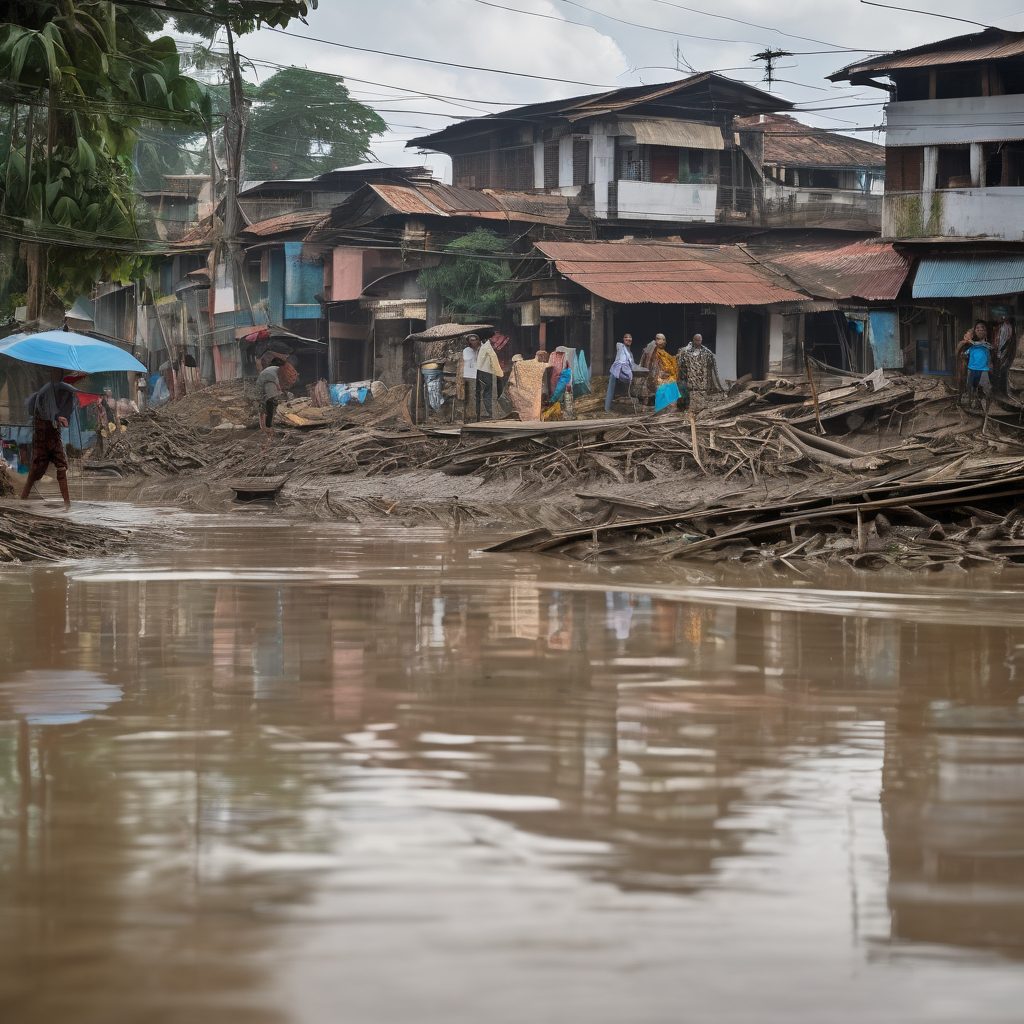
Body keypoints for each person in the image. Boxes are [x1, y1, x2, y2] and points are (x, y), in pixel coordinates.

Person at [20, 368, 79, 509]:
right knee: (35, 471)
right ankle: (22, 502)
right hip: (41, 437)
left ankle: (67, 505)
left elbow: (61, 411)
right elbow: (44, 412)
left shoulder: (62, 391)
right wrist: (57, 417)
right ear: (52, 374)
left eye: (59, 374)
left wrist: (60, 418)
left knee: (61, 467)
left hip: (54, 436)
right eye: (55, 373)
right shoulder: (44, 393)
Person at [677, 333, 725, 399]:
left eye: (699, 339)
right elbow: (681, 365)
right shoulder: (685, 352)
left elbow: (711, 367)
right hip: (690, 383)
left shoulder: (706, 353)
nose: (698, 341)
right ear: (693, 340)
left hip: (702, 384)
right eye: (696, 340)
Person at [606, 333, 640, 413]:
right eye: (626, 338)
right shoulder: (621, 347)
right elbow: (622, 359)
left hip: (624, 374)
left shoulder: (630, 354)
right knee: (611, 390)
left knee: (623, 391)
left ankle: (620, 408)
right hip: (616, 371)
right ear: (623, 339)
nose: (628, 339)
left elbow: (631, 364)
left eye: (630, 338)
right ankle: (607, 409)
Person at [962, 320, 992, 410]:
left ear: (986, 332)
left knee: (986, 389)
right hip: (972, 369)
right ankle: (972, 404)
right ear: (975, 331)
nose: (980, 330)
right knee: (971, 387)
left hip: (983, 370)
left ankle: (986, 409)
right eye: (978, 328)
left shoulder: (986, 346)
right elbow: (965, 354)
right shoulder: (971, 347)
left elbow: (990, 355)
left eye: (982, 328)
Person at [639, 333, 679, 399]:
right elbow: (648, 356)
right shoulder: (652, 350)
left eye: (665, 340)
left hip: (665, 376)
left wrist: (677, 356)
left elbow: (671, 359)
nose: (665, 342)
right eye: (663, 340)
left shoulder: (663, 352)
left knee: (673, 380)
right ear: (657, 340)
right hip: (655, 378)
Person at [257, 357, 285, 441]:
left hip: (260, 384)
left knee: (264, 404)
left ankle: (265, 425)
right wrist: (279, 391)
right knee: (271, 402)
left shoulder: (269, 369)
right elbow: (276, 382)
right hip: (269, 382)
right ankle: (270, 425)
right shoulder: (278, 369)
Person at [475, 336, 504, 419]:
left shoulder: (482, 347)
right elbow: (494, 362)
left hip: (480, 372)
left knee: (481, 393)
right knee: (487, 393)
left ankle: (482, 413)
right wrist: (500, 373)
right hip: (486, 372)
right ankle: (490, 413)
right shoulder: (487, 347)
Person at [460, 334, 481, 421]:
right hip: (468, 375)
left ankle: (476, 415)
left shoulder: (481, 349)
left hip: (477, 375)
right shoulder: (467, 350)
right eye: (471, 340)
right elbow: (467, 360)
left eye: (475, 340)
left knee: (477, 395)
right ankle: (468, 415)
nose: (473, 342)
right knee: (468, 396)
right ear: (469, 341)